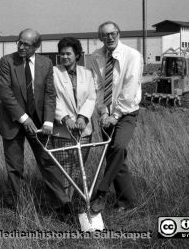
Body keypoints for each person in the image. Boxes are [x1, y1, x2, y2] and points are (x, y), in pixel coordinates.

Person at [0, 28, 69, 212]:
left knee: (48, 163)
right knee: (15, 167)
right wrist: (23, 118)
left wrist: (48, 122)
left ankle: (62, 206)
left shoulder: (46, 63)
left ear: (36, 46)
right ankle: (18, 207)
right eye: (19, 42)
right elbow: (5, 94)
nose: (21, 47)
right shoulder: (7, 62)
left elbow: (49, 94)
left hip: (39, 125)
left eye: (26, 44)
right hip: (13, 123)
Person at [87, 21, 142, 213]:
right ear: (100, 37)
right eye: (105, 34)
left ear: (119, 34)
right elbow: (96, 86)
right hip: (105, 114)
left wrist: (115, 115)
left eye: (113, 33)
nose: (110, 37)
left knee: (118, 148)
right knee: (114, 156)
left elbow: (129, 88)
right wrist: (102, 112)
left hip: (126, 112)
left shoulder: (132, 56)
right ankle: (127, 202)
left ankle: (101, 192)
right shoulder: (95, 57)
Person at [51, 37, 96, 215]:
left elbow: (92, 97)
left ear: (77, 55)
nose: (64, 57)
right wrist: (65, 118)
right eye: (61, 54)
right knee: (64, 169)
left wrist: (83, 117)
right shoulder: (53, 73)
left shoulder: (87, 73)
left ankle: (77, 205)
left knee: (78, 167)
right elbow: (51, 99)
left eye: (68, 53)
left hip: (83, 130)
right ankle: (64, 208)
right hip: (62, 130)